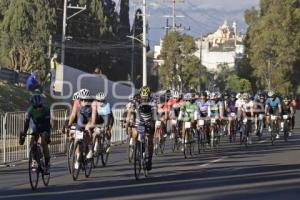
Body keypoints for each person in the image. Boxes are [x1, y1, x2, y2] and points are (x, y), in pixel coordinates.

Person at [19, 94, 51, 174]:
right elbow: (26, 123)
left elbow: (47, 125)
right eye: (36, 107)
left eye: (40, 106)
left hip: (44, 127)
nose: (38, 108)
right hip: (35, 127)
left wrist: (48, 136)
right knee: (31, 143)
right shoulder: (30, 110)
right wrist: (24, 133)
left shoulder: (46, 110)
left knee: (44, 143)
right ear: (33, 106)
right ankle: (34, 160)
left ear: (42, 104)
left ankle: (47, 165)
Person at [131, 86, 156, 170]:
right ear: (140, 95)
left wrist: (153, 121)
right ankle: (136, 147)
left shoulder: (153, 100)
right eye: (143, 97)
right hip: (139, 119)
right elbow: (134, 110)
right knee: (135, 134)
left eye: (146, 97)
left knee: (150, 140)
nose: (144, 99)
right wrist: (130, 120)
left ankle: (149, 160)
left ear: (149, 95)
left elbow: (154, 112)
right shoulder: (136, 98)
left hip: (149, 119)